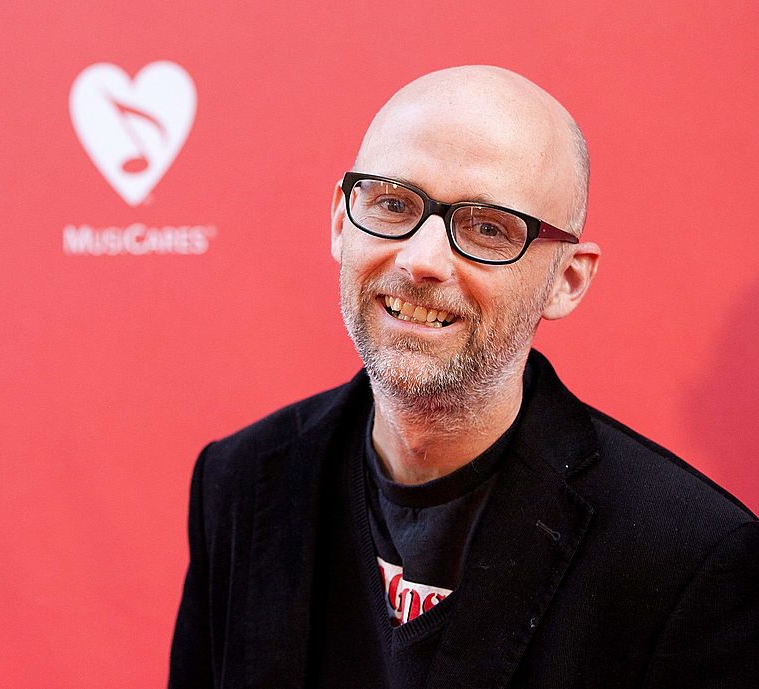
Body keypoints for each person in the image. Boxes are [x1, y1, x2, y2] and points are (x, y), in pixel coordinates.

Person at [168, 65, 758, 688]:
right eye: (393, 204)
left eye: (488, 228)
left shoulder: (690, 562)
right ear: (341, 221)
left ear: (567, 280)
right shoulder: (239, 483)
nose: (421, 260)